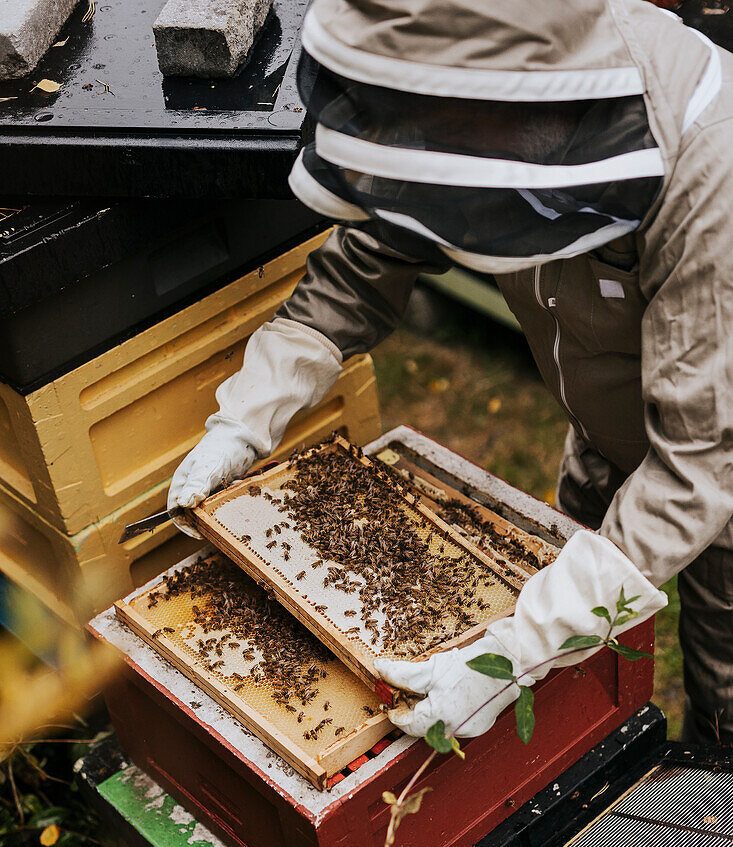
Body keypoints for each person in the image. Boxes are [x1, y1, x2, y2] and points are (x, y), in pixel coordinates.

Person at [169, 0, 732, 745]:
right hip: (607, 435)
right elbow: (373, 256)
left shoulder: (709, 175)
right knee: (577, 674)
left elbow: (699, 465)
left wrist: (512, 656)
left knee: (723, 691)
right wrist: (247, 417)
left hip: (710, 466)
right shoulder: (474, 105)